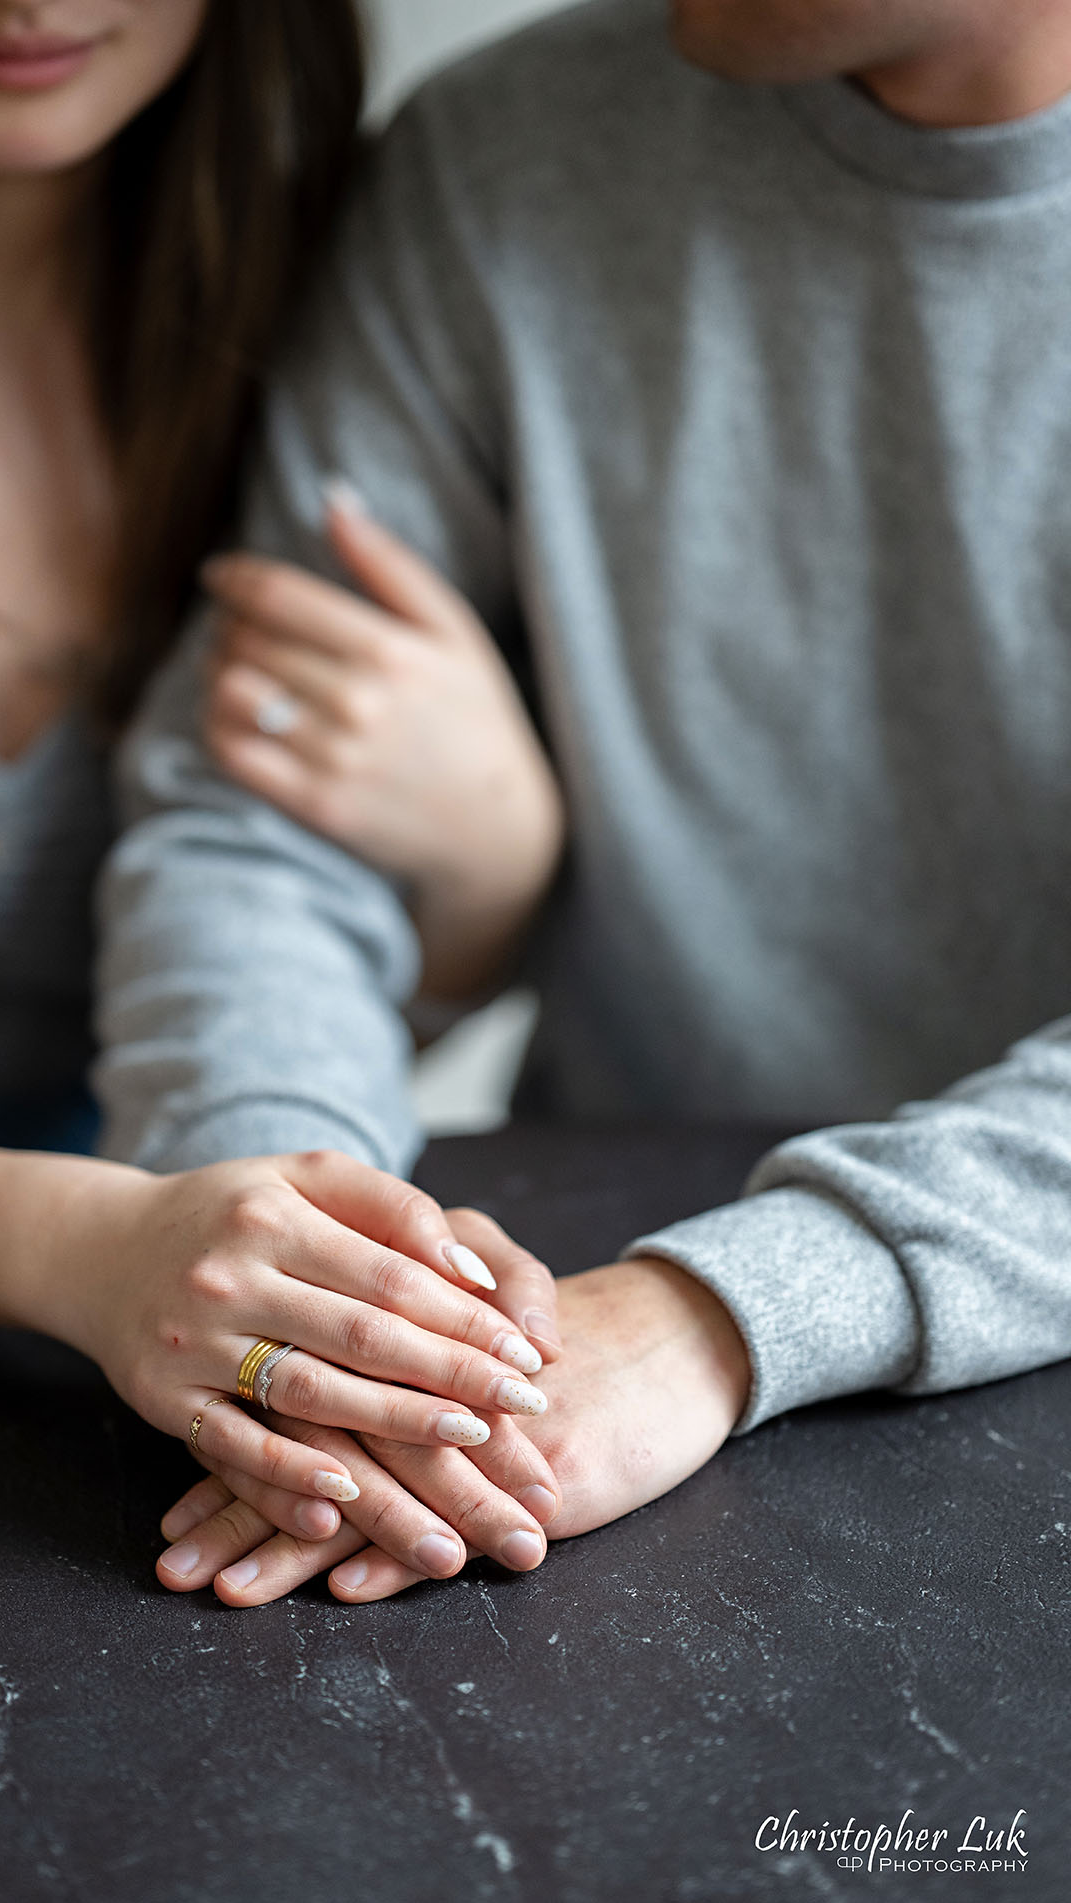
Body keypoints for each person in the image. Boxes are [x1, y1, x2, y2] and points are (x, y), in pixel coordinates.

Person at [118, 0, 1071, 1604]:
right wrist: (315, 1268)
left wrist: (723, 1312)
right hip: (534, 1352)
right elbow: (258, 822)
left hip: (745, 1351)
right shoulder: (503, 159)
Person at [0, 0, 571, 1585]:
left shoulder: (324, 299)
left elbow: (300, 978)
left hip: (147, 1313)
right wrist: (72, 1243)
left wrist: (500, 862)